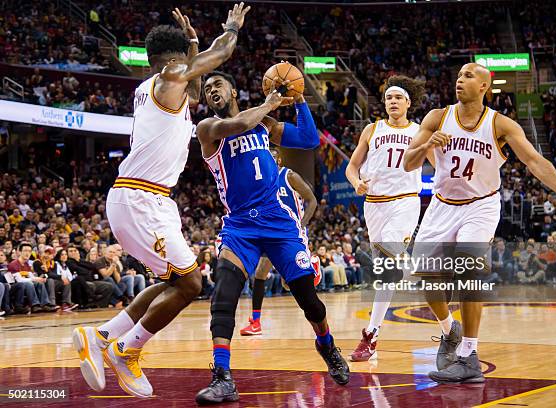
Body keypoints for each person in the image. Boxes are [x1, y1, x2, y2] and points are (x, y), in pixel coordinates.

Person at [72, 4, 250, 398]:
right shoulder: (170, 77)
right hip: (141, 198)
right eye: (188, 62)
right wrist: (232, 28)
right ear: (175, 64)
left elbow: (194, 64)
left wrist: (190, 41)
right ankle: (126, 350)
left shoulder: (156, 86)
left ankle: (102, 335)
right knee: (190, 284)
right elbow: (219, 55)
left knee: (176, 280)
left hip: (149, 199)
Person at [404, 62, 556, 383]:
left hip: (481, 205)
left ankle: (469, 356)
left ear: (484, 86)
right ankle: (449, 331)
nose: (460, 81)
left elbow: (534, 160)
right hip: (441, 204)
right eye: (458, 76)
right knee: (425, 278)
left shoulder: (500, 124)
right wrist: (426, 145)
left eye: (468, 76)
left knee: (470, 265)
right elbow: (408, 163)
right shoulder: (437, 117)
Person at [195, 70, 349, 404]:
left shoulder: (264, 126)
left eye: (217, 84)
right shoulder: (208, 128)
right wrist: (268, 104)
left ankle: (327, 345)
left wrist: (300, 101)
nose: (211, 91)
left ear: (233, 89)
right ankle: (222, 377)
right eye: (207, 89)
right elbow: (236, 126)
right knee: (223, 295)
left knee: (310, 301)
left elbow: (308, 139)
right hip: (239, 227)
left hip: (279, 223)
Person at [345, 75, 430, 362]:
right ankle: (372, 334)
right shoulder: (372, 129)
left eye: (398, 98)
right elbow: (352, 166)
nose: (393, 102)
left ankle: (409, 266)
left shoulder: (420, 131)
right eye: (389, 98)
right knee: (385, 276)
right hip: (374, 205)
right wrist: (356, 182)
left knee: (389, 257)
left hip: (405, 201)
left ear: (408, 102)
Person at [240, 148, 318, 336]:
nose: (271, 160)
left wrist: (301, 224)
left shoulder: (289, 176)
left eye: (274, 157)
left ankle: (311, 267)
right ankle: (256, 321)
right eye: (268, 158)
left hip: (292, 234)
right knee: (260, 273)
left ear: (280, 160)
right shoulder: (261, 182)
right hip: (272, 233)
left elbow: (312, 200)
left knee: (291, 283)